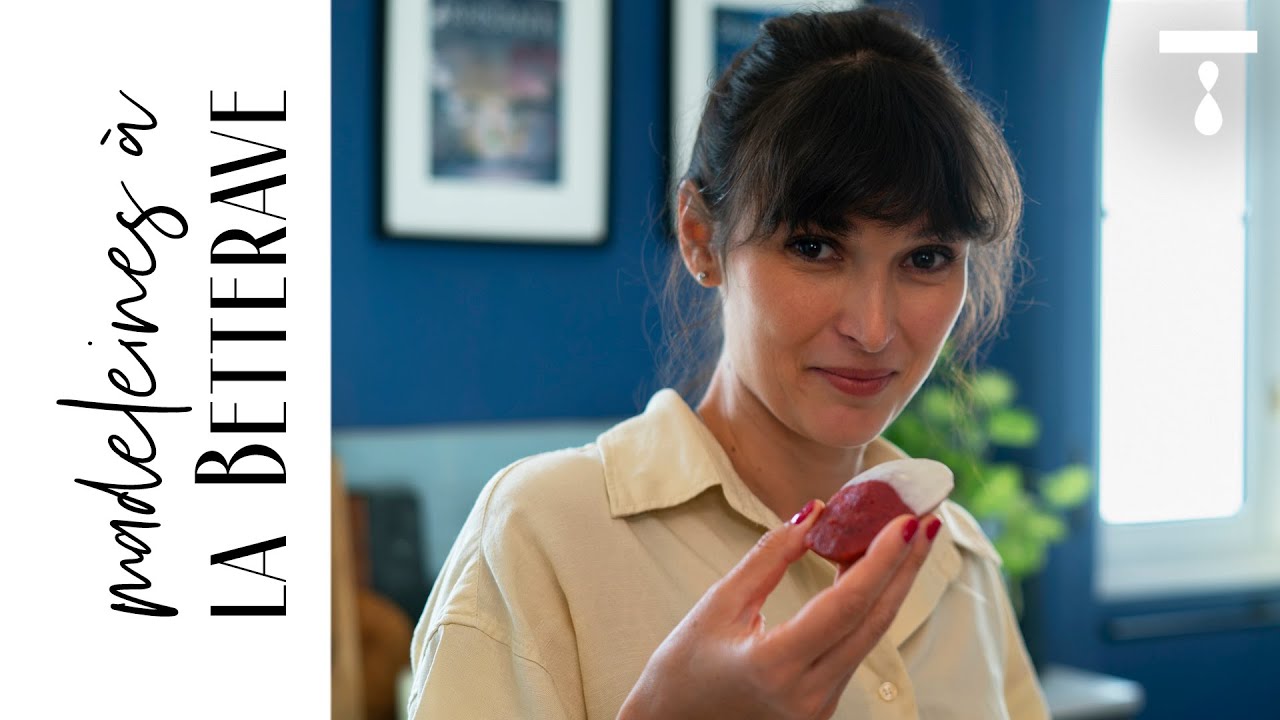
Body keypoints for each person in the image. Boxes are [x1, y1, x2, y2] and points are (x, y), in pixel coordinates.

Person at [408, 6, 1049, 719]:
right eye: (814, 247)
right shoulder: (543, 535)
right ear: (700, 238)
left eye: (925, 260)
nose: (872, 328)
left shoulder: (958, 561)